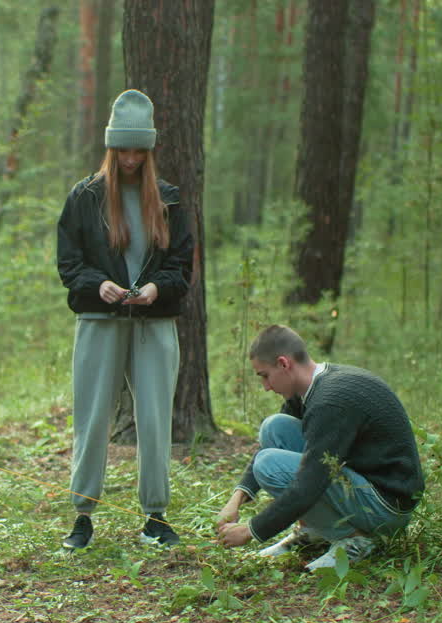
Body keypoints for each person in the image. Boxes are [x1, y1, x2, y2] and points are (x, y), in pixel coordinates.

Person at [55, 89, 194, 551]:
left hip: (154, 323)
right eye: (124, 149)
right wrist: (99, 285)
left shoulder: (170, 200)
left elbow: (181, 266)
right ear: (112, 148)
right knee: (92, 417)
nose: (132, 158)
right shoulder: (85, 197)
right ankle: (82, 517)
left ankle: (155, 515)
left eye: (140, 149)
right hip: (99, 319)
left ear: (150, 150)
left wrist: (157, 289)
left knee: (155, 417)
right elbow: (69, 264)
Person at [214, 324, 423, 571]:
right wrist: (236, 499)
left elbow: (308, 485)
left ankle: (354, 539)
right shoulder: (309, 388)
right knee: (274, 428)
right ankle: (315, 531)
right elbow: (279, 449)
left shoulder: (331, 402)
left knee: (268, 465)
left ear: (284, 364)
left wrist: (252, 530)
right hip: (361, 482)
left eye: (264, 375)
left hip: (385, 507)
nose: (266, 386)